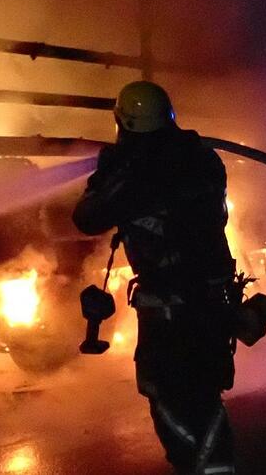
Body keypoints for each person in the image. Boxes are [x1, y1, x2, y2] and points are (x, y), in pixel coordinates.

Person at [73, 81, 238, 475]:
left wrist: (112, 169)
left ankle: (200, 466)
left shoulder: (136, 173)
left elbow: (88, 217)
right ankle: (218, 467)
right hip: (212, 301)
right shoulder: (202, 159)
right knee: (204, 392)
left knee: (165, 391)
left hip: (171, 308)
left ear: (124, 123)